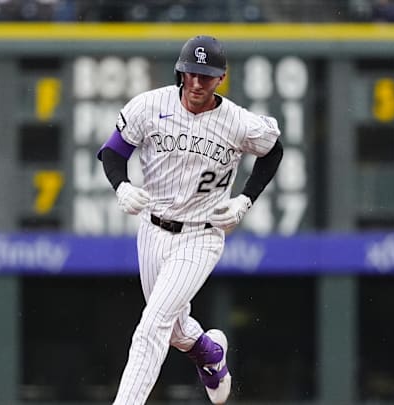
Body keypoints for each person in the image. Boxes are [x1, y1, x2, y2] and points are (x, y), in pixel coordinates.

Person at [97, 35, 283, 404]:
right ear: (181, 72)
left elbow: (272, 150)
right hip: (152, 229)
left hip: (201, 235)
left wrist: (245, 200)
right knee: (172, 329)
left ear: (221, 78)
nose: (197, 82)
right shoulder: (150, 106)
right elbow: (112, 151)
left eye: (206, 76)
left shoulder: (238, 122)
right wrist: (121, 186)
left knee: (151, 327)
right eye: (191, 73)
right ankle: (208, 352)